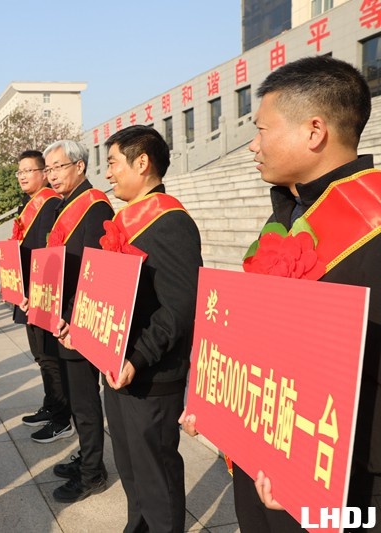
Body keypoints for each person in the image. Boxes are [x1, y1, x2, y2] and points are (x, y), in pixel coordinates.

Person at [181, 55, 381, 531]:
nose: (252, 146)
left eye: (262, 129)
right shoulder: (290, 213)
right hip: (269, 456)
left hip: (351, 478)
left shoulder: (369, 220)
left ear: (314, 131)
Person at [101, 125, 202, 532]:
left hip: (151, 374)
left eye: (112, 162)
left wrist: (139, 356)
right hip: (119, 370)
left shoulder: (170, 222)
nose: (107, 173)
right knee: (131, 470)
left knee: (157, 476)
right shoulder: (127, 219)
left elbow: (180, 306)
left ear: (141, 162)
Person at [45, 139, 113, 502]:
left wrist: (74, 318)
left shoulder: (94, 207)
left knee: (85, 402)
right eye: (49, 169)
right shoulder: (66, 205)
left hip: (79, 320)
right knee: (75, 397)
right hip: (63, 315)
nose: (52, 175)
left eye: (59, 167)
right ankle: (87, 457)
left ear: (80, 167)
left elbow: (96, 271)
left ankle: (93, 474)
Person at [11, 150, 70, 442]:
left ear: (43, 173)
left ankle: (62, 417)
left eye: (28, 170)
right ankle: (51, 405)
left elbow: (49, 255)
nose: (22, 175)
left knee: (50, 357)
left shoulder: (49, 206)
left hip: (42, 294)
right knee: (40, 356)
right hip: (28, 294)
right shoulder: (30, 205)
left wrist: (36, 292)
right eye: (19, 171)